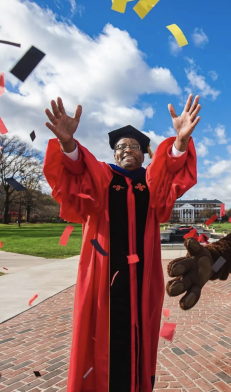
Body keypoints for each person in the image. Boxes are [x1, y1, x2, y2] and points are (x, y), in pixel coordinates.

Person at [43, 94, 201, 392]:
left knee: (140, 340)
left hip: (143, 281)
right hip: (103, 276)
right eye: (121, 147)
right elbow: (76, 171)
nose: (128, 150)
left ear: (144, 154)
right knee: (98, 337)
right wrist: (68, 145)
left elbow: (169, 172)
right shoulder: (102, 177)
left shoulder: (151, 184)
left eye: (135, 147)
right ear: (114, 154)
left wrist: (179, 143)